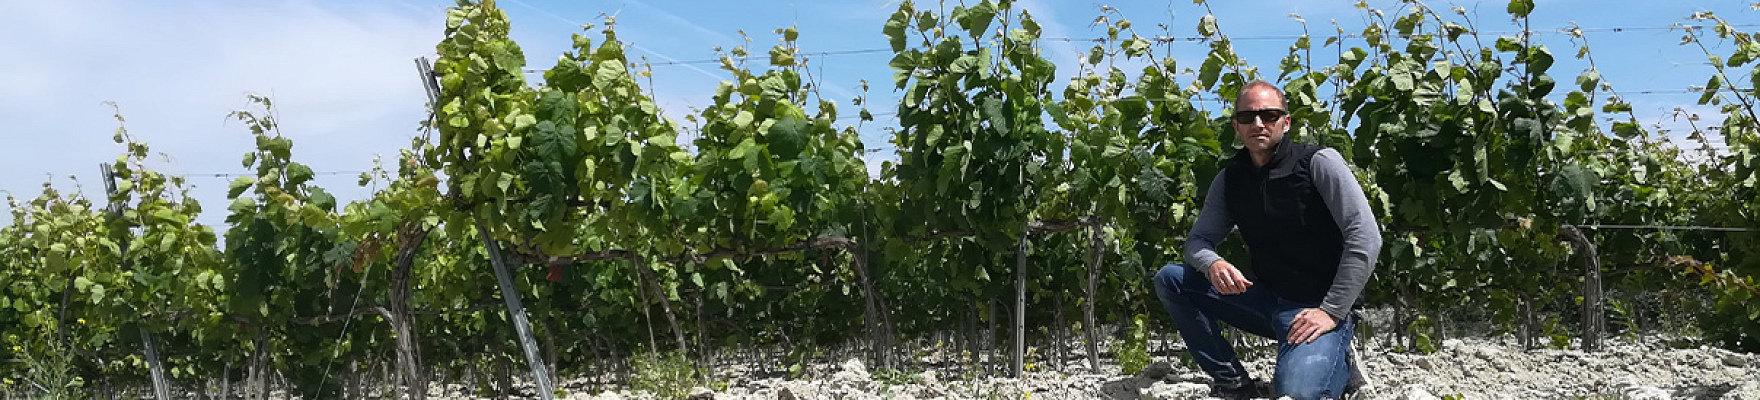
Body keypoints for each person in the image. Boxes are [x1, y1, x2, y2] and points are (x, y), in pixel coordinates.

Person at [1153, 81, 1381, 400]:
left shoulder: (1318, 163)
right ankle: (1233, 382)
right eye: (1247, 117)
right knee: (1171, 279)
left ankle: (1340, 356)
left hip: (1316, 308)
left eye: (1269, 115)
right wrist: (1213, 262)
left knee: (1297, 395)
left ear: (1286, 122)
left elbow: (1366, 238)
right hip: (1264, 301)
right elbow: (1197, 242)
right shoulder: (1231, 179)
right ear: (1236, 126)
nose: (1258, 124)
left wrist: (1331, 311)